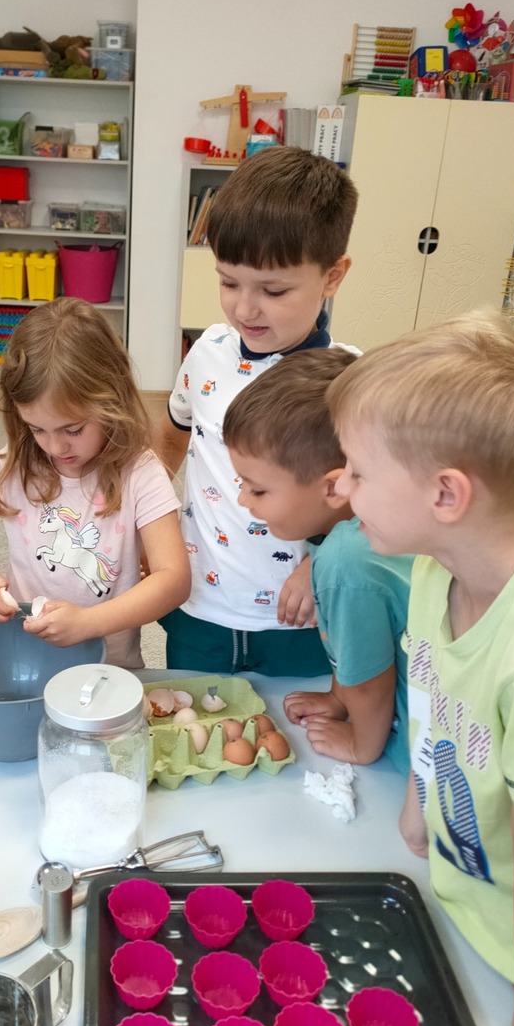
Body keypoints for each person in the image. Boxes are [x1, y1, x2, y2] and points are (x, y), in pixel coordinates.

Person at [326, 310, 514, 1026]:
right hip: (462, 898)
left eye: (359, 471)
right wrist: (420, 805)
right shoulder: (435, 569)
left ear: (446, 494)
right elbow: (436, 700)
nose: (342, 488)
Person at [156, 145, 359, 676]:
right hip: (200, 603)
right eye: (228, 282)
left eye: (273, 289)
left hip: (301, 615)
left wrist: (319, 565)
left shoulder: (354, 384)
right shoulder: (206, 353)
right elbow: (174, 437)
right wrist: (143, 522)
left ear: (332, 276)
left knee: (293, 723)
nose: (244, 308)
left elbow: (375, 502)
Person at [0, 297, 190, 668]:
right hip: (25, 667)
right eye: (37, 429)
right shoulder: (15, 464)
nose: (54, 447)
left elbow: (174, 579)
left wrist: (89, 623)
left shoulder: (141, 473)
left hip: (110, 673)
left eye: (73, 429)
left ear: (112, 401)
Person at [223, 348, 413, 772]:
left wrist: (361, 744)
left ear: (331, 488)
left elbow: (371, 681)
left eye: (257, 489)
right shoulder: (338, 529)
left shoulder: (346, 561)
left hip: (417, 743)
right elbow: (358, 643)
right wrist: (338, 699)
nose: (242, 500)